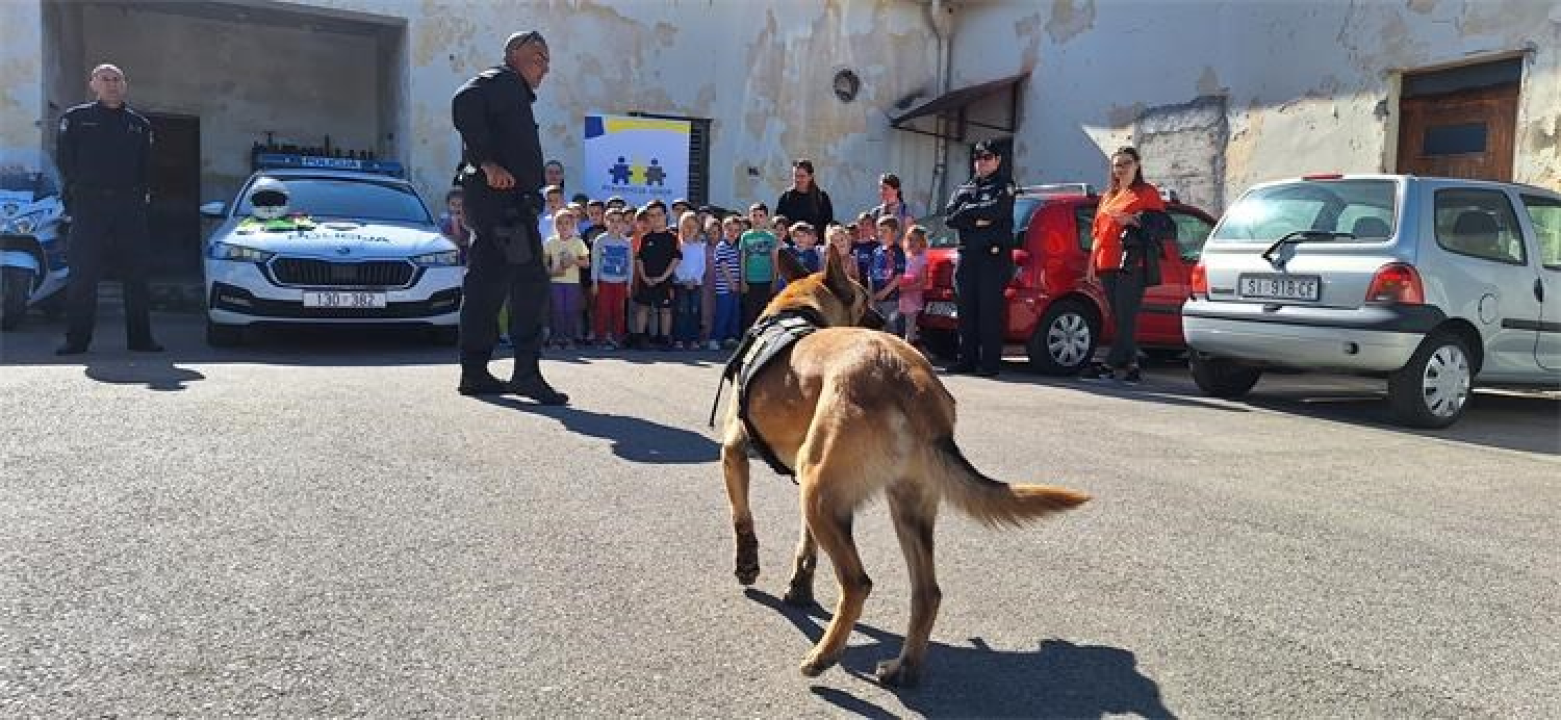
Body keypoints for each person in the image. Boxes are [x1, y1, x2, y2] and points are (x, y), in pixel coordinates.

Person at [450, 30, 567, 403]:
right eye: (538, 57)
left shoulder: (512, 92)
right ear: (514, 54)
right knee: (530, 284)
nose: (545, 67)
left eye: (548, 60)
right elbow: (464, 100)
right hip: (504, 206)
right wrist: (487, 162)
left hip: (499, 206)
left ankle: (475, 372)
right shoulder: (501, 81)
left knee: (485, 285)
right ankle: (526, 374)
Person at [55, 63, 161, 355]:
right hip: (89, 204)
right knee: (83, 273)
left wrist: (142, 196)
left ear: (124, 85)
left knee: (136, 273)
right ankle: (76, 340)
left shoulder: (139, 125)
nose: (112, 84)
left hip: (129, 205)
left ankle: (140, 340)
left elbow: (146, 166)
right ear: (93, 84)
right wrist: (76, 192)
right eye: (106, 79)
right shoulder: (76, 119)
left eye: (117, 79)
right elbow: (65, 159)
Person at [1081, 146, 1166, 384]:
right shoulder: (1109, 195)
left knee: (1127, 315)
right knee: (1120, 317)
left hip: (1131, 261)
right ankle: (1132, 365)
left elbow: (1160, 224)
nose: (1121, 169)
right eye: (1117, 165)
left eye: (1126, 163)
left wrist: (1133, 219)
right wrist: (1091, 264)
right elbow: (1097, 233)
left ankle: (1108, 365)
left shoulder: (1147, 192)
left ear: (1137, 165)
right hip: (1106, 262)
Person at [944, 139, 1016, 377]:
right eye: (978, 158)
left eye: (987, 158)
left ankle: (989, 363)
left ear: (997, 160)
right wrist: (975, 217)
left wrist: (967, 213)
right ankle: (966, 360)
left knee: (988, 311)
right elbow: (950, 218)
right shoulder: (964, 188)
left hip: (992, 258)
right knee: (966, 310)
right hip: (967, 256)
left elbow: (998, 210)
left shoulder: (1004, 186)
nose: (982, 162)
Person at [630, 200, 680, 348]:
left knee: (665, 310)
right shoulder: (645, 238)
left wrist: (662, 277)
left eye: (659, 214)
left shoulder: (673, 237)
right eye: (652, 215)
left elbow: (676, 259)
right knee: (642, 308)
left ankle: (664, 338)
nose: (656, 218)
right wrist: (645, 277)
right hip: (647, 280)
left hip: (664, 280)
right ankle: (639, 337)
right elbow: (639, 259)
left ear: (665, 215)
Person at [543, 207, 588, 348]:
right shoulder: (550, 242)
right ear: (555, 225)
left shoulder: (578, 242)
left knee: (570, 311)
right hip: (556, 281)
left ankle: (569, 339)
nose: (563, 226)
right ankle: (556, 339)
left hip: (573, 282)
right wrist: (551, 271)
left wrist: (573, 261)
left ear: (573, 225)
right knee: (557, 311)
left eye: (567, 223)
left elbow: (586, 263)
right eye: (559, 223)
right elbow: (543, 262)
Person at [591, 208, 634, 349]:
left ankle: (616, 338)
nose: (615, 224)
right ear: (605, 222)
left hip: (620, 282)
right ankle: (601, 339)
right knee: (603, 310)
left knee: (618, 311)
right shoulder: (600, 240)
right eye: (612, 221)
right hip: (604, 281)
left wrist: (629, 283)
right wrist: (595, 281)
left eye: (619, 221)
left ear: (623, 224)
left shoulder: (626, 242)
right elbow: (595, 261)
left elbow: (630, 264)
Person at [738, 202, 779, 329]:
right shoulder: (745, 236)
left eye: (761, 215)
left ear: (766, 218)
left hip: (766, 281)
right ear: (750, 217)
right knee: (749, 313)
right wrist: (743, 281)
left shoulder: (771, 237)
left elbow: (774, 260)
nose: (757, 219)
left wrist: (774, 281)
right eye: (754, 215)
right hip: (750, 281)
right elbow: (743, 260)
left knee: (764, 313)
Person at [671, 211, 708, 350]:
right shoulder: (678, 246)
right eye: (686, 226)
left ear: (698, 228)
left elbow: (702, 265)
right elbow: (675, 265)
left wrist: (695, 279)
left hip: (696, 284)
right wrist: (683, 279)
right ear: (680, 227)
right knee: (681, 311)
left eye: (693, 226)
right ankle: (679, 339)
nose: (690, 229)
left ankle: (693, 339)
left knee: (694, 311)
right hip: (680, 284)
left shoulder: (700, 246)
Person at [867, 215, 907, 334]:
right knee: (877, 329)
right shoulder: (876, 251)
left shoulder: (898, 252)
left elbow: (899, 276)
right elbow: (870, 274)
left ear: (894, 233)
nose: (881, 233)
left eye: (885, 231)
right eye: (879, 230)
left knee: (892, 328)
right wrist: (871, 295)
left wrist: (884, 292)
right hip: (875, 298)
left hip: (891, 299)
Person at [776, 158, 835, 232]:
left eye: (802, 176)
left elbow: (828, 225)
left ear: (810, 176)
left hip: (817, 243)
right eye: (795, 176)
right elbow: (779, 224)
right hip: (792, 243)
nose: (798, 179)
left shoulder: (821, 197)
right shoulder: (786, 197)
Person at [711, 215, 743, 348]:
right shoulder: (721, 246)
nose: (732, 233)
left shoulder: (736, 247)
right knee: (723, 314)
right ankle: (716, 339)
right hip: (724, 288)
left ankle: (731, 338)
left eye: (736, 230)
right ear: (724, 230)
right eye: (729, 229)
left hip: (735, 287)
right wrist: (731, 283)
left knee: (734, 314)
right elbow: (723, 266)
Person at [899, 225, 930, 346]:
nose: (912, 242)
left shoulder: (922, 260)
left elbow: (923, 283)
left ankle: (909, 348)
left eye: (916, 240)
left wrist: (905, 288)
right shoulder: (905, 256)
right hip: (901, 298)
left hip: (912, 299)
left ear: (922, 242)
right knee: (898, 325)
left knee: (910, 328)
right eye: (910, 239)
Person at [437, 187, 472, 263]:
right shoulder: (445, 219)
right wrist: (455, 223)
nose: (456, 208)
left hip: (468, 254)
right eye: (453, 204)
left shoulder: (469, 219)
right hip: (452, 253)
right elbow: (455, 239)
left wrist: (463, 222)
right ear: (448, 205)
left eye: (460, 205)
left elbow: (472, 234)